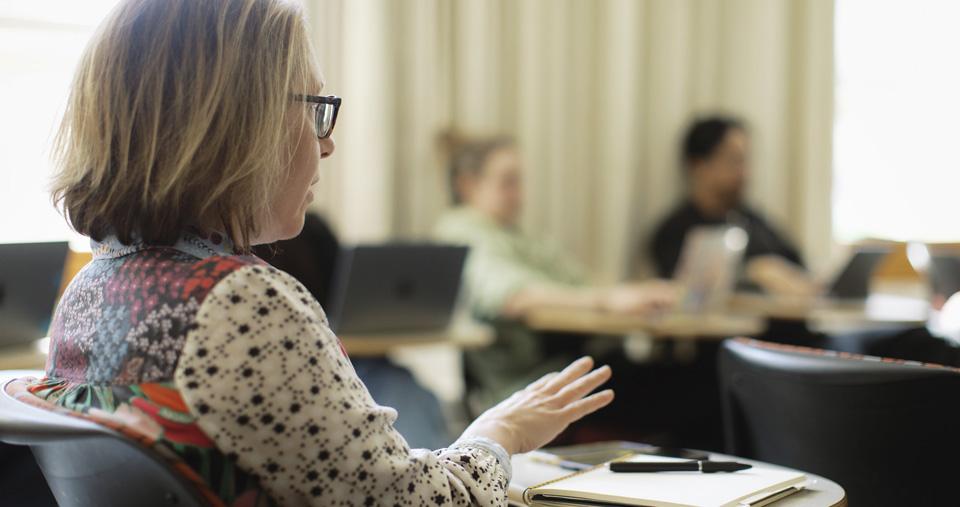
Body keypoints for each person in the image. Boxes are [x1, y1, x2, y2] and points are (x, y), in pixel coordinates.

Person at [16, 1, 614, 505]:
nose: (326, 145)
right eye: (314, 109)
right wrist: (500, 431)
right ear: (237, 123)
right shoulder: (244, 304)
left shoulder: (88, 292)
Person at [434, 134, 674, 412]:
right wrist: (607, 301)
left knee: (680, 376)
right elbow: (513, 297)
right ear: (467, 185)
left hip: (564, 368)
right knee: (685, 387)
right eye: (508, 182)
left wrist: (633, 292)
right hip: (529, 387)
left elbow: (579, 283)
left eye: (519, 182)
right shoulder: (462, 232)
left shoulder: (517, 236)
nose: (519, 196)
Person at [648, 116, 815, 296]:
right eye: (734, 160)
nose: (745, 173)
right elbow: (684, 292)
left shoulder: (755, 222)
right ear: (698, 165)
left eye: (745, 161)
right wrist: (752, 274)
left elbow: (803, 272)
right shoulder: (674, 232)